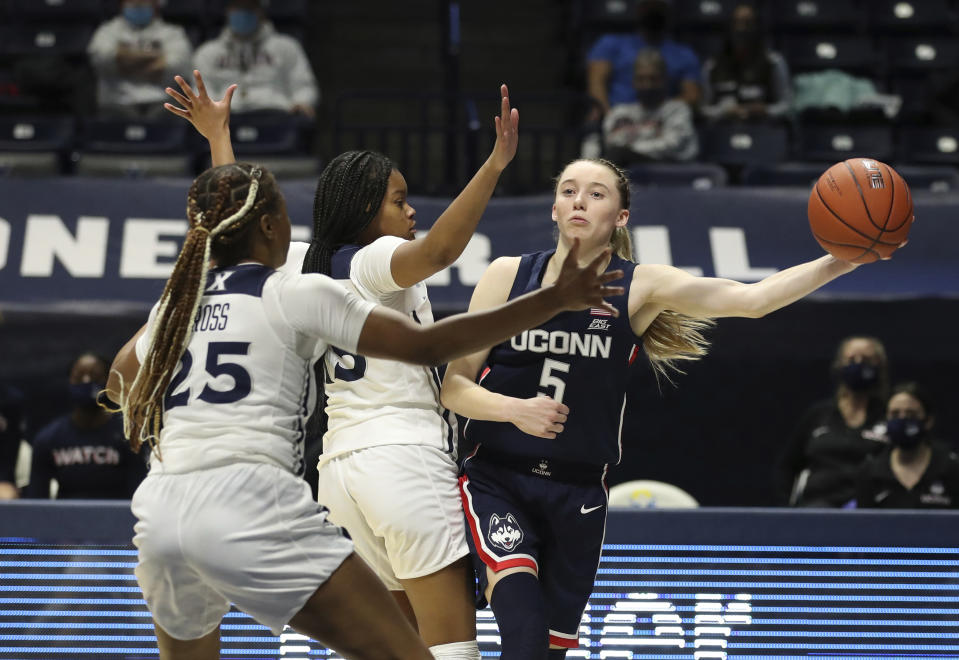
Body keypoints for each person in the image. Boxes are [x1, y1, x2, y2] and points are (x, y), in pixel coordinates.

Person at [105, 159, 622, 659]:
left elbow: (120, 379)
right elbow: (429, 336)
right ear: (268, 225)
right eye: (283, 211)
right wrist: (549, 299)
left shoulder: (176, 306)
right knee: (442, 650)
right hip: (373, 463)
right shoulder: (315, 280)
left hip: (172, 506)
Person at [439, 157, 891, 658]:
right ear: (553, 208)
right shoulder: (507, 276)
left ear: (621, 216)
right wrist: (511, 408)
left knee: (548, 651)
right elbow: (453, 386)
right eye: (568, 191)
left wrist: (840, 261)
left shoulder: (641, 285)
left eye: (596, 193)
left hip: (579, 491)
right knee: (522, 635)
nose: (579, 201)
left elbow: (753, 300)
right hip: (499, 480)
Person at [162, 69, 523, 659]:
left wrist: (217, 140)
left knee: (394, 648)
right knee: (453, 649)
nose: (411, 213)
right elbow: (440, 252)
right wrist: (495, 165)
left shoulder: (299, 264)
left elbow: (235, 226)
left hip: (340, 475)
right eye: (400, 201)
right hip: (402, 457)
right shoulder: (373, 260)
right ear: (362, 210)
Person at [779, 336, 890, 507]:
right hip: (817, 509)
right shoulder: (818, 414)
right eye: (852, 359)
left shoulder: (888, 416)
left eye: (867, 359)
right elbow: (787, 467)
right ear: (839, 365)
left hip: (868, 511)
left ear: (880, 366)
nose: (859, 364)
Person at [25, 352, 145, 499]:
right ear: (70, 381)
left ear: (109, 382)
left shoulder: (128, 435)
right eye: (79, 376)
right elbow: (36, 501)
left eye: (95, 376)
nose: (86, 381)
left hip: (116, 516)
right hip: (64, 517)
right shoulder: (48, 439)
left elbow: (140, 493)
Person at [193, 0, 318, 118]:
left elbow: (303, 85)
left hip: (276, 116)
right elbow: (202, 90)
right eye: (238, 7)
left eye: (249, 8)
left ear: (261, 12)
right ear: (228, 11)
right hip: (225, 118)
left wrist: (302, 102)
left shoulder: (286, 47)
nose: (243, 13)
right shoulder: (207, 52)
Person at [586, 0, 701, 116]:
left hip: (664, 121)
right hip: (617, 119)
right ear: (638, 10)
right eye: (648, 7)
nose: (653, 12)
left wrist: (655, 116)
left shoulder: (685, 54)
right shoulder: (609, 44)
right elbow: (596, 85)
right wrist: (610, 118)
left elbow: (692, 95)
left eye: (658, 7)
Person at [855, 382, 959, 509]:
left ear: (928, 421)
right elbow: (863, 525)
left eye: (911, 414)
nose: (902, 420)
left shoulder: (951, 469)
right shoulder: (870, 472)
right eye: (895, 414)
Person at [584, 48, 698, 163]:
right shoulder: (619, 112)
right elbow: (604, 143)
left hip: (666, 171)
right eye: (641, 79)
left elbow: (673, 145)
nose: (647, 85)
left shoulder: (677, 110)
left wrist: (629, 150)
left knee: (618, 154)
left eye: (653, 79)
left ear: (664, 80)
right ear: (633, 81)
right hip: (623, 169)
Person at [87, 0, 192, 119]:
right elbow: (103, 59)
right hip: (115, 103)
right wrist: (156, 58)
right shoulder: (107, 31)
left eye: (143, 2)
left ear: (155, 5)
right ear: (122, 4)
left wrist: (123, 60)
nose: (138, 4)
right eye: (133, 2)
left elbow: (175, 66)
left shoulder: (173, 33)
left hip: (162, 104)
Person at [700, 3, 792, 122]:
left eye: (748, 23)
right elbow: (703, 108)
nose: (741, 29)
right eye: (737, 22)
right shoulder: (712, 65)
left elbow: (787, 105)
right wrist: (723, 112)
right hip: (724, 129)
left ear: (757, 27)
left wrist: (766, 110)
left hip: (763, 129)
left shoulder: (773, 62)